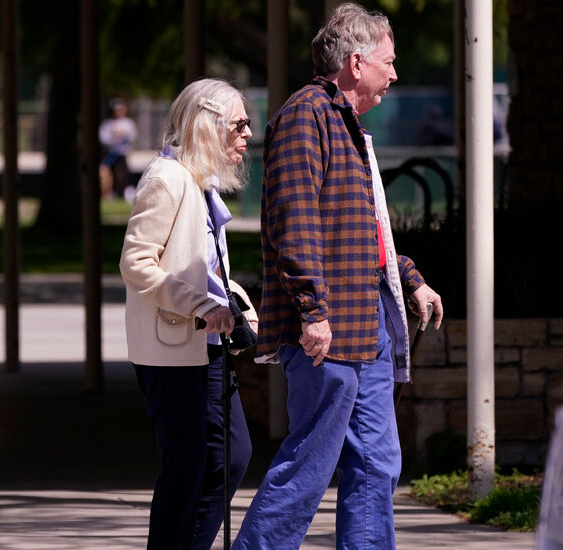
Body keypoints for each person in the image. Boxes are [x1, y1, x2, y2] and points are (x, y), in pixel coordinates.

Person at [234, 4, 444, 549]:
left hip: (367, 325)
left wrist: (411, 277)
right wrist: (313, 311)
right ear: (355, 62)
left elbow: (363, 234)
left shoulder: (350, 127)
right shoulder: (306, 115)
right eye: (388, 62)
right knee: (309, 465)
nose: (394, 74)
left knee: (377, 465)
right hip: (329, 330)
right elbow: (296, 222)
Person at [119, 78, 258, 550]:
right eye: (238, 124)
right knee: (186, 467)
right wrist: (202, 306)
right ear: (206, 125)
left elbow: (208, 270)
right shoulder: (167, 179)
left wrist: (242, 310)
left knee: (231, 458)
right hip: (172, 351)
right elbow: (137, 263)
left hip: (209, 345)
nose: (248, 134)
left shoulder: (199, 182)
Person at [99, 98, 138, 199]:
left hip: (122, 153)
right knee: (107, 175)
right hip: (110, 153)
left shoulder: (128, 123)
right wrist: (116, 135)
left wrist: (118, 134)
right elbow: (103, 138)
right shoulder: (107, 123)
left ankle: (120, 193)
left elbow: (132, 136)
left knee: (122, 175)